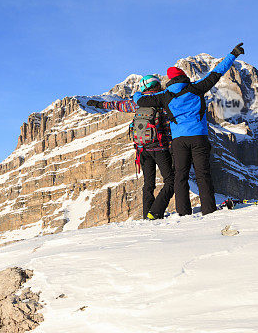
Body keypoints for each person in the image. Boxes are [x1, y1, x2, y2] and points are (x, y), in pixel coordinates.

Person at [134, 43, 245, 216]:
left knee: (180, 176)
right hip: (199, 137)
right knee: (203, 174)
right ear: (184, 76)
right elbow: (217, 73)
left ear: (170, 81)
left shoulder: (164, 96)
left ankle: (183, 212)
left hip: (179, 141)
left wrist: (137, 92)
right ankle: (208, 210)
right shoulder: (197, 87)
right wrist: (233, 54)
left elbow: (140, 101)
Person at [87, 75, 175, 220]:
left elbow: (117, 105)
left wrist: (98, 104)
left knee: (148, 184)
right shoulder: (163, 100)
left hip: (142, 149)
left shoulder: (137, 103)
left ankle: (147, 215)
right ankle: (155, 211)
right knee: (170, 180)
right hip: (160, 148)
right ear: (157, 85)